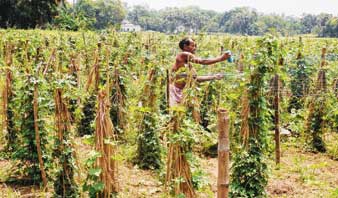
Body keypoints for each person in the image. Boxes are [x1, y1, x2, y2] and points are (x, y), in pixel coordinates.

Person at [169, 37, 231, 107]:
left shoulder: (188, 65)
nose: (195, 48)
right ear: (185, 47)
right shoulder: (183, 55)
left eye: (195, 46)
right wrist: (221, 58)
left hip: (182, 93)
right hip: (175, 92)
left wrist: (214, 77)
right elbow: (203, 61)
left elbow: (196, 79)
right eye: (192, 45)